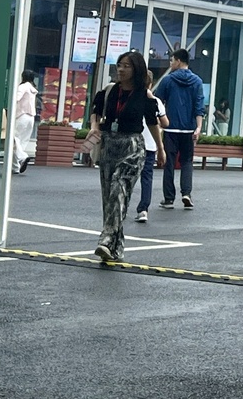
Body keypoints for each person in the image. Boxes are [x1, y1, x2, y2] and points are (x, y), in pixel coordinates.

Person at [88, 50, 166, 263]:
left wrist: (160, 149)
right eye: (119, 65)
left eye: (126, 66)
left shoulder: (144, 95)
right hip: (109, 146)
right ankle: (116, 248)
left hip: (132, 148)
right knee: (110, 198)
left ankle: (106, 240)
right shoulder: (110, 90)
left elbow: (152, 123)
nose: (121, 69)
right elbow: (96, 110)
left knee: (118, 190)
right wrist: (94, 127)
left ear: (137, 69)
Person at [155, 47, 207, 209]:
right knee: (187, 162)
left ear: (178, 61)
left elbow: (157, 102)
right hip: (189, 129)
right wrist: (198, 127)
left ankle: (169, 199)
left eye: (172, 61)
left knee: (169, 163)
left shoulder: (167, 80)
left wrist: (159, 122)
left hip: (170, 128)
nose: (170, 64)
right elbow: (199, 106)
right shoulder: (197, 81)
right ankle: (186, 193)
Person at [10, 69, 38, 175]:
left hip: (21, 115)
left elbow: (16, 99)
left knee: (14, 140)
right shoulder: (33, 88)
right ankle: (16, 167)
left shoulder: (23, 86)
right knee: (22, 142)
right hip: (31, 117)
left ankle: (22, 157)